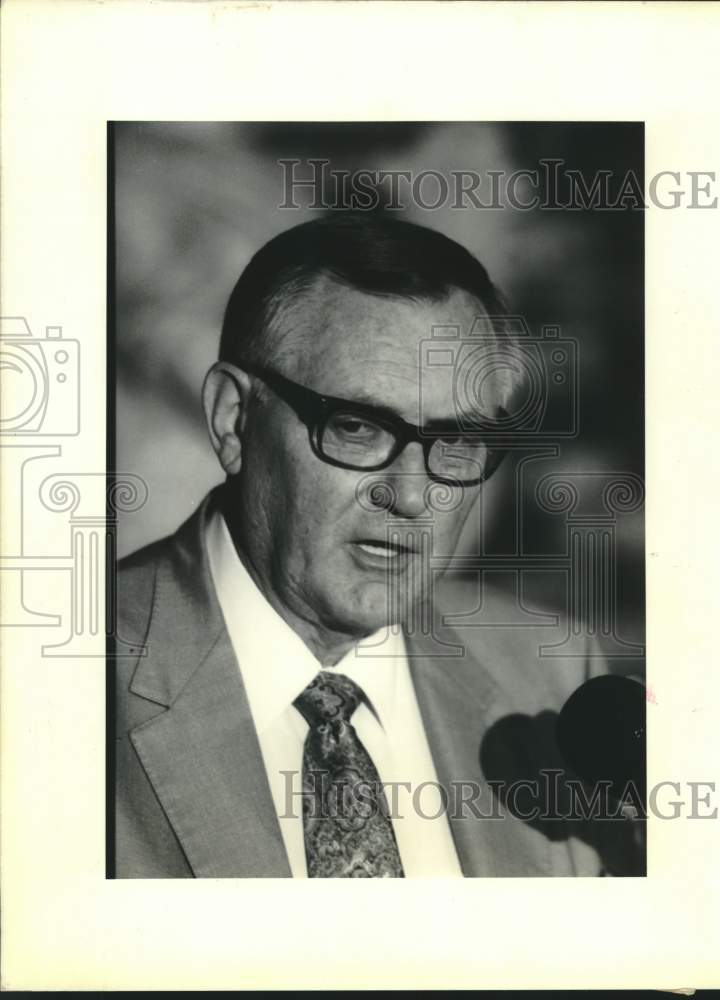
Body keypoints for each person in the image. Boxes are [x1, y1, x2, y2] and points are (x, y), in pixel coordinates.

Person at [114, 213, 643, 878]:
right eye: (358, 428)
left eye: (453, 442)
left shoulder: (556, 676)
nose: (412, 495)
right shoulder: (54, 689)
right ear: (232, 418)